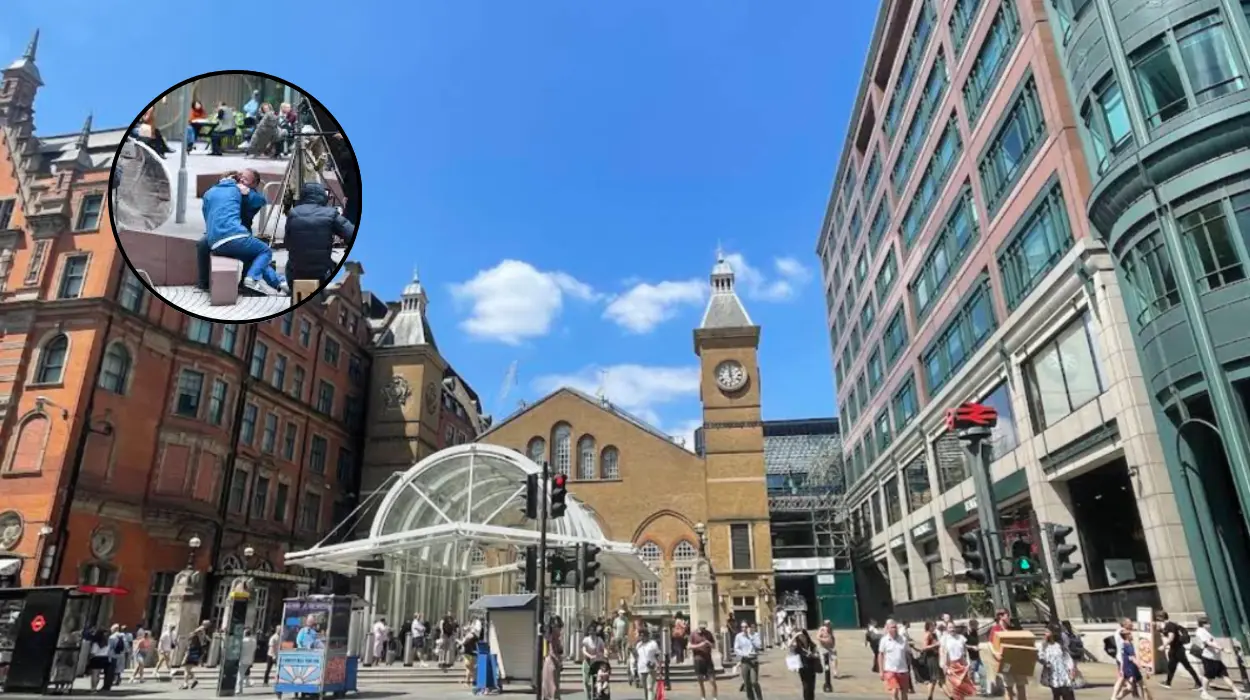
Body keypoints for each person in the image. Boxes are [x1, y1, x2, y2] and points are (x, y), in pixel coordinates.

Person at [200, 170, 287, 296]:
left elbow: (260, 200)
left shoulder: (213, 192)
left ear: (254, 184)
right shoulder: (235, 190)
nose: (241, 180)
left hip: (221, 238)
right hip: (234, 235)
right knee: (265, 251)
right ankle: (251, 280)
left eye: (245, 179)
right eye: (240, 177)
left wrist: (247, 192)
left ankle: (279, 283)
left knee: (254, 256)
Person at [283, 181, 356, 284]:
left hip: (295, 276)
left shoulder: (293, 213)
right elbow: (351, 234)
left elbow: (287, 244)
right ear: (323, 196)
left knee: (290, 264)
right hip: (322, 276)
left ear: (303, 195)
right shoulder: (331, 214)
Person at [1195, 616, 1249, 700]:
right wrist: (1223, 649)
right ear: (1203, 624)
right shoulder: (1200, 632)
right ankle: (1204, 693)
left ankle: (1238, 693)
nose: (1210, 625)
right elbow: (1208, 643)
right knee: (1208, 675)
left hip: (1216, 658)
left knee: (1224, 675)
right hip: (1209, 657)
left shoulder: (1205, 631)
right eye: (1208, 623)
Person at [989, 609, 1027, 700]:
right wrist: (995, 654)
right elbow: (990, 643)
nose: (1009, 617)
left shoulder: (1014, 628)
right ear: (1001, 616)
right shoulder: (995, 629)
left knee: (1021, 685)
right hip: (1006, 662)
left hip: (1018, 661)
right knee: (1008, 687)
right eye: (1007, 615)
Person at [1158, 611, 1200, 690]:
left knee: (1187, 666)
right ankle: (1168, 682)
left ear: (1162, 618)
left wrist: (1163, 646)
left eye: (1158, 618)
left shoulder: (1169, 625)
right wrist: (1162, 631)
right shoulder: (1171, 625)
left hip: (1177, 650)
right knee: (1172, 667)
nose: (1158, 620)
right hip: (1176, 649)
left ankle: (1199, 684)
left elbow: (1171, 637)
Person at [1038, 624, 1076, 700]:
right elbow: (1040, 657)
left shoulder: (1060, 645)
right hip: (1052, 674)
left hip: (1064, 674)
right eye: (1045, 632)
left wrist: (1071, 670)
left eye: (1047, 632)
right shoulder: (1044, 646)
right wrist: (1045, 662)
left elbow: (1067, 658)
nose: (1045, 634)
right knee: (1056, 695)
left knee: (1067, 694)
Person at [941, 623, 977, 700]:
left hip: (961, 665)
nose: (952, 629)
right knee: (955, 687)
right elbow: (943, 653)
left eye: (953, 627)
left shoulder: (961, 638)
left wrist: (967, 663)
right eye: (950, 628)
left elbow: (965, 651)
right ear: (947, 629)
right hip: (951, 665)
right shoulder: (945, 639)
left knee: (962, 687)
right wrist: (945, 666)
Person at [879, 619, 911, 700]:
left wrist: (909, 666)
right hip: (890, 670)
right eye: (892, 627)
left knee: (904, 692)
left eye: (895, 627)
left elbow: (908, 653)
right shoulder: (884, 640)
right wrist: (881, 671)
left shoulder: (903, 639)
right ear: (888, 628)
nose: (895, 629)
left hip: (903, 670)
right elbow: (880, 655)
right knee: (894, 691)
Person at [733, 621, 764, 700]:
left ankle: (760, 698)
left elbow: (759, 646)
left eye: (746, 627)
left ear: (749, 627)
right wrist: (744, 654)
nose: (744, 629)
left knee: (754, 682)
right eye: (742, 627)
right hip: (744, 660)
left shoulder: (755, 635)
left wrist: (750, 637)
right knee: (747, 683)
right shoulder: (738, 636)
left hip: (753, 660)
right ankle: (751, 698)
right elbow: (736, 648)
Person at [690, 620, 719, 700]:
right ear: (698, 626)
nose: (703, 629)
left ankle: (714, 697)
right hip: (698, 659)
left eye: (704, 628)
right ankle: (703, 697)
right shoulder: (693, 634)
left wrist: (709, 643)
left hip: (708, 659)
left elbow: (714, 646)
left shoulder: (708, 633)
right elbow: (689, 646)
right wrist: (700, 645)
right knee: (700, 680)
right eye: (702, 628)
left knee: (712, 680)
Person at [791, 629, 822, 700]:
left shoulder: (812, 645)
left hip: (812, 667)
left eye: (802, 636)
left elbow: (817, 655)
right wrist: (795, 635)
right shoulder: (798, 646)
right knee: (806, 686)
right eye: (799, 637)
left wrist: (812, 655)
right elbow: (789, 645)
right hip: (803, 669)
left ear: (806, 636)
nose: (801, 638)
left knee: (812, 687)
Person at [180, 621, 209, 690]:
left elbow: (195, 632)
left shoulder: (200, 629)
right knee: (188, 668)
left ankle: (187, 683)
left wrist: (192, 634)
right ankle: (191, 681)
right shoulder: (203, 633)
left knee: (186, 668)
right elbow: (203, 641)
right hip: (197, 651)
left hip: (192, 651)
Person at [582, 622, 607, 700]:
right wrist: (589, 656)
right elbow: (584, 650)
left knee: (599, 679)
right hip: (587, 661)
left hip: (597, 662)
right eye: (590, 631)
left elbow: (604, 648)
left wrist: (605, 653)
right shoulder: (586, 640)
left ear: (596, 631)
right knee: (586, 681)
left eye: (593, 630)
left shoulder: (599, 639)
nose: (592, 632)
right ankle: (588, 697)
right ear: (588, 631)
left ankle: (598, 692)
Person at [636, 627, 663, 700]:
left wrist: (659, 666)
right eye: (640, 635)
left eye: (643, 635)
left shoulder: (653, 643)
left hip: (651, 668)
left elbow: (658, 655)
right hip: (641, 668)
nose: (642, 637)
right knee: (645, 688)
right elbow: (637, 657)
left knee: (649, 687)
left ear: (647, 635)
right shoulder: (638, 645)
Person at [541, 621, 564, 700]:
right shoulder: (553, 638)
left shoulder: (553, 637)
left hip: (550, 663)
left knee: (550, 684)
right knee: (553, 684)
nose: (560, 630)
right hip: (552, 663)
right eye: (559, 628)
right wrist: (559, 662)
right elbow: (552, 652)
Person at [817, 620, 838, 691]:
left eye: (829, 624)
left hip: (831, 647)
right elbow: (818, 637)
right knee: (825, 663)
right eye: (827, 624)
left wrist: (833, 644)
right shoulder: (821, 629)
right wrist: (825, 640)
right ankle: (826, 678)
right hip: (823, 648)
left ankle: (835, 672)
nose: (829, 625)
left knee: (834, 658)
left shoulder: (831, 629)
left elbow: (833, 637)